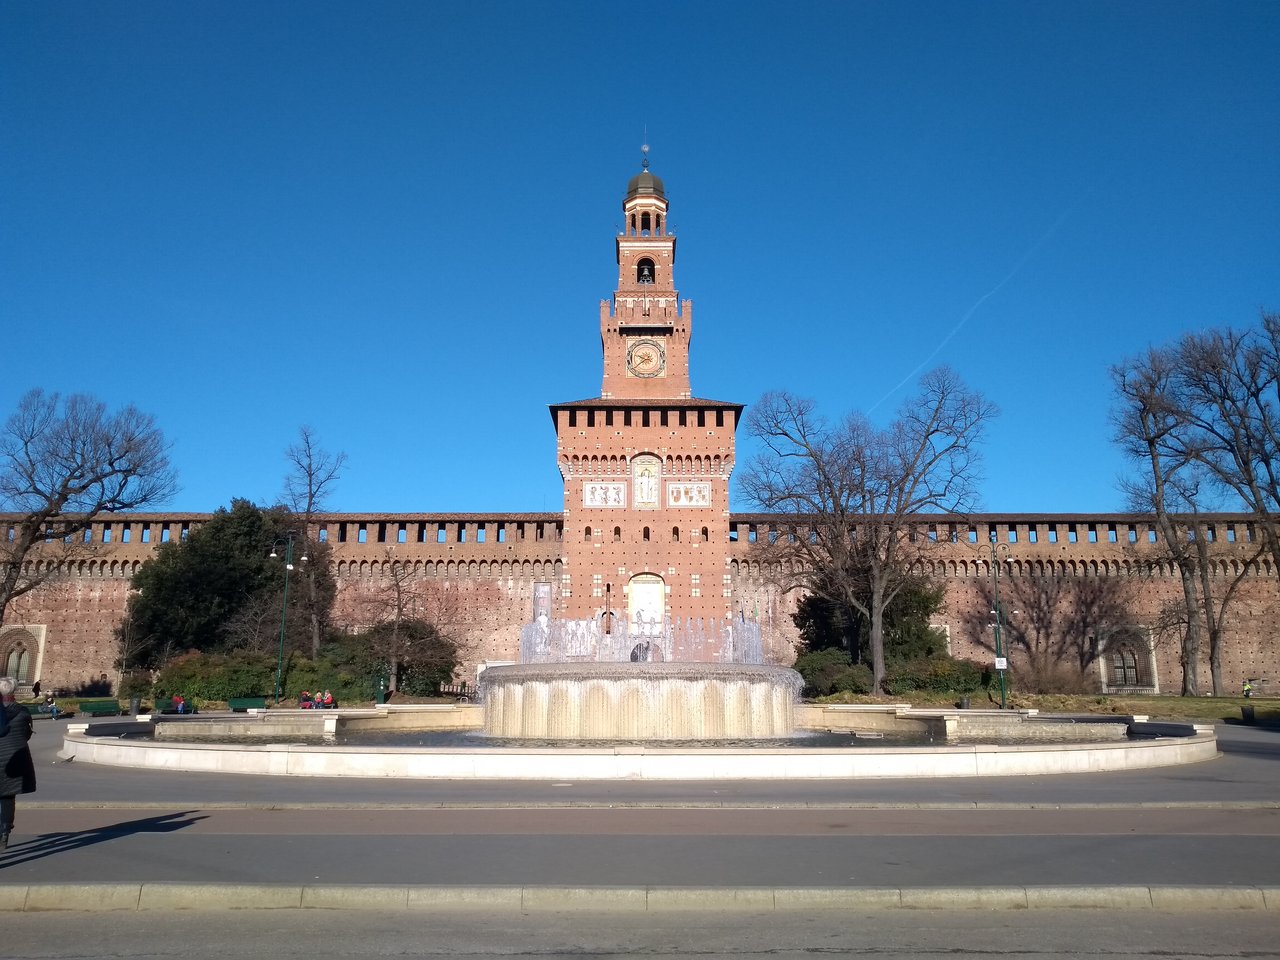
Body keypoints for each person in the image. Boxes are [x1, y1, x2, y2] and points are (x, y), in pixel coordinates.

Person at [0, 676, 37, 849]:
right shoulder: (23, 711)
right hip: (16, 757)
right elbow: (27, 735)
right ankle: (5, 830)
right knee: (8, 795)